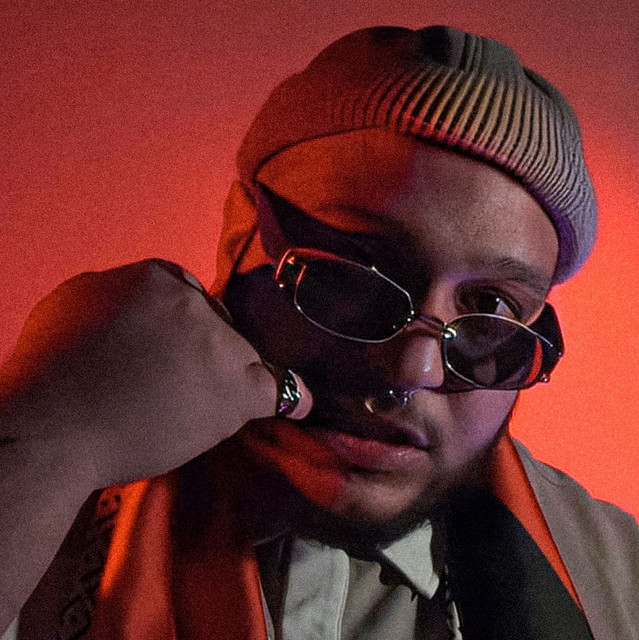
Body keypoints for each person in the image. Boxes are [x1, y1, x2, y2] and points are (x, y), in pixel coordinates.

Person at [1, 25, 637, 640]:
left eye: (491, 308)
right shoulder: (46, 496)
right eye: (353, 272)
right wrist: (44, 449)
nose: (411, 370)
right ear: (239, 237)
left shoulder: (623, 587)